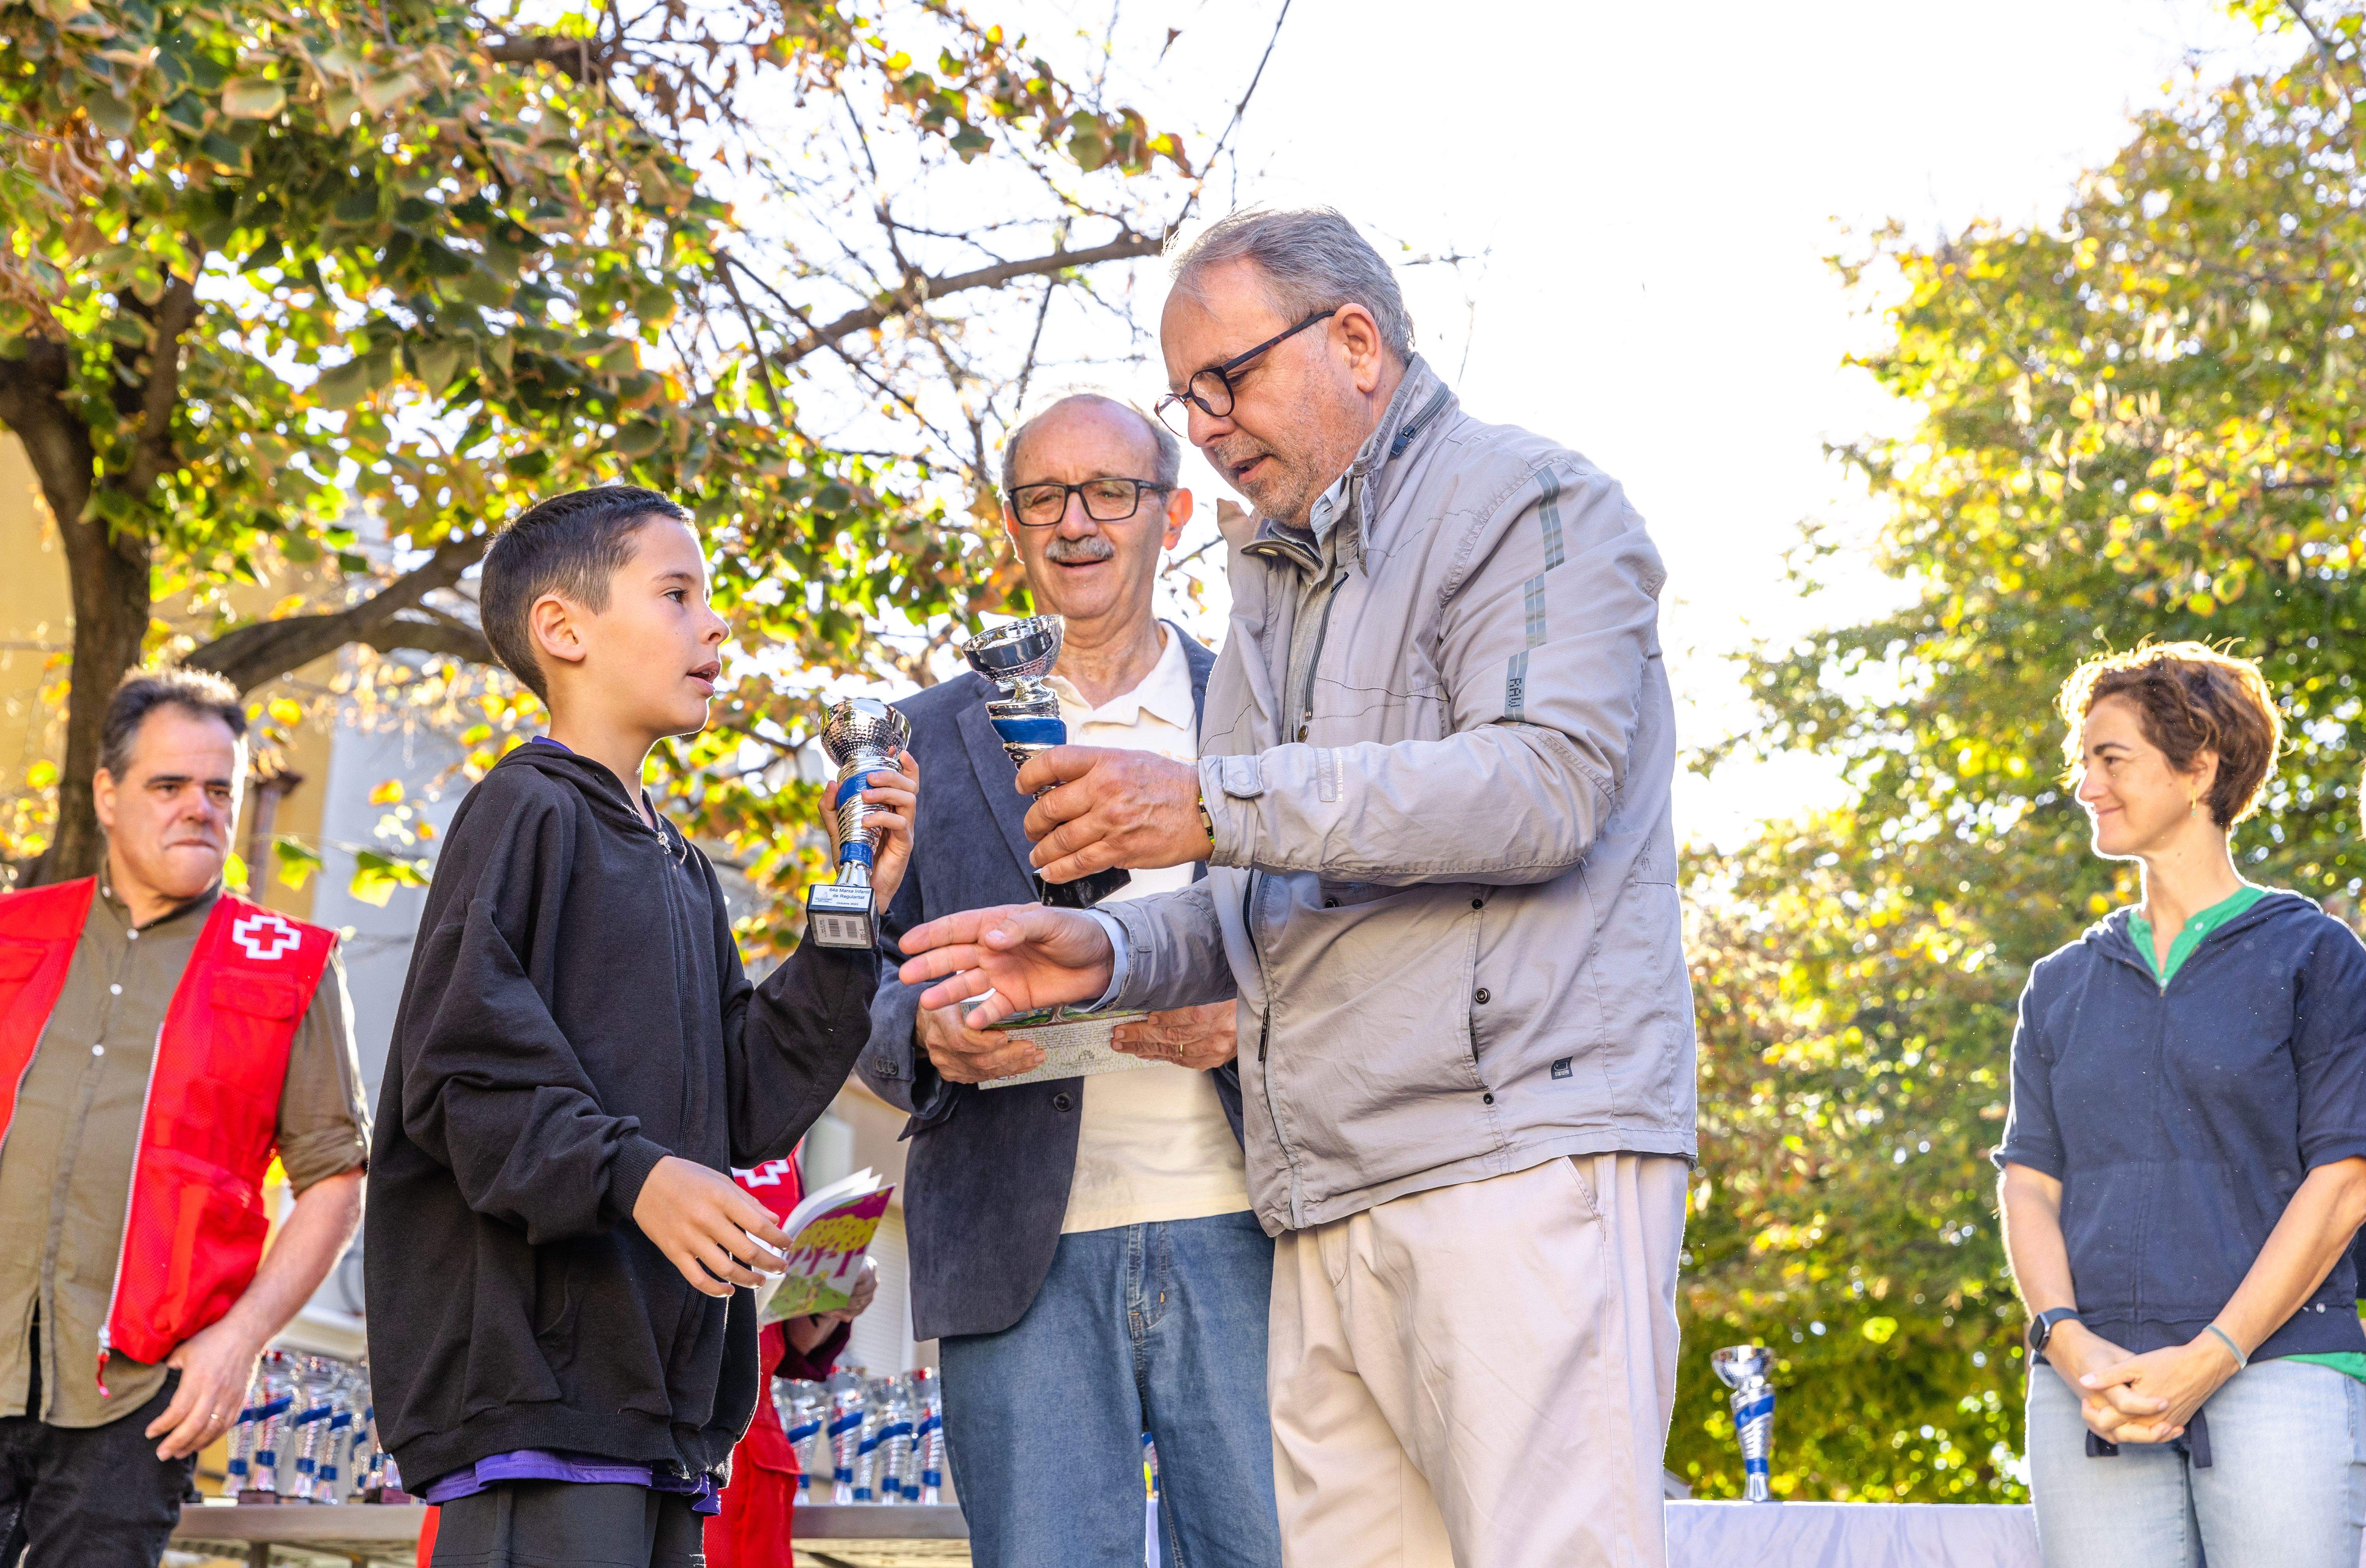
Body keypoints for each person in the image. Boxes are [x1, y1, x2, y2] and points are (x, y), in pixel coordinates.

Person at [895, 207, 1697, 1568]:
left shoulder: (1533, 503)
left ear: (1357, 343)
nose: (1208, 424)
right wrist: (1105, 957)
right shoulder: (1272, 577)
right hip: (1321, 1196)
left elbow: (1543, 787)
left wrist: (1209, 807)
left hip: (1509, 1164)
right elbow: (1276, 896)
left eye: (1229, 379)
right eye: (1188, 397)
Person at [364, 485, 918, 1568]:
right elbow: (466, 1082)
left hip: (662, 1410)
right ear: (563, 630)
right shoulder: (523, 812)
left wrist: (854, 905)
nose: (716, 625)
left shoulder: (680, 866)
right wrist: (638, 1177)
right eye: (677, 594)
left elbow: (747, 1099)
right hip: (541, 1409)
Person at [857, 393, 1282, 1566]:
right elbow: (850, 982)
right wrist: (926, 1035)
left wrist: (1255, 1020)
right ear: (1012, 525)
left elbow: (1353, 947)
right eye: (1044, 497)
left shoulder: (1267, 716)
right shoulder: (915, 742)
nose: (1076, 522)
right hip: (1015, 1256)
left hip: (1250, 1230)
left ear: (1172, 515)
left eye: (1109, 492)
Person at [1997, 642, 2366, 1568]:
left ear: (2199, 766)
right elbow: (2029, 1185)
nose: (2086, 784)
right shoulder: (2060, 984)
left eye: (2110, 758)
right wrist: (2067, 1344)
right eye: (2083, 760)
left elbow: (2346, 1181)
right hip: (2094, 1391)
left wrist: (2212, 1355)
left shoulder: (2316, 957)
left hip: (2279, 1370)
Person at [0, 667, 368, 1567]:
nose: (199, 808)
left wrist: (240, 1340)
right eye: (169, 785)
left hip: (140, 1397)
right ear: (108, 795)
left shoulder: (291, 965)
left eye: (220, 790)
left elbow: (335, 1181)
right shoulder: (12, 932)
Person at [706, 1154, 877, 1568]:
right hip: (676, 1427)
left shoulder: (782, 1148)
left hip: (758, 1443)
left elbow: (790, 1341)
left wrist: (835, 1298)